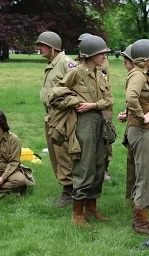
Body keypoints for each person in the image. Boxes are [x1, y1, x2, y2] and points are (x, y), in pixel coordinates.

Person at [56, 35, 114, 227]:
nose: (104, 56)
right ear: (90, 55)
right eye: (101, 53)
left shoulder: (100, 73)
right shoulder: (76, 73)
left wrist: (92, 105)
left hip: (98, 120)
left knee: (99, 164)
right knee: (84, 166)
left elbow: (109, 100)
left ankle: (92, 207)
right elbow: (56, 94)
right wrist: (77, 103)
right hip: (83, 123)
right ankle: (77, 213)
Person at [120, 39, 149, 234]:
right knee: (147, 176)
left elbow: (147, 101)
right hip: (142, 130)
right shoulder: (138, 75)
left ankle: (141, 218)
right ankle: (140, 222)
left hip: (148, 130)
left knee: (148, 175)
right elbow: (131, 98)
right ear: (144, 58)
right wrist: (141, 116)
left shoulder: (145, 75)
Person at [36, 31, 76, 207]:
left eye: (42, 45)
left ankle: (70, 191)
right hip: (51, 115)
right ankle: (67, 188)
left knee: (63, 153)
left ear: (53, 47)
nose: (39, 48)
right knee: (54, 154)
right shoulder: (53, 63)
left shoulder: (66, 63)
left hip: (62, 116)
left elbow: (77, 88)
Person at [78, 33, 115, 182]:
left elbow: (106, 93)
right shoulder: (77, 66)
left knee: (105, 138)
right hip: (84, 113)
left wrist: (94, 105)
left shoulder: (101, 63)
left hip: (101, 107)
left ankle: (104, 168)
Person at [117, 44, 137, 206]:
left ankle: (140, 200)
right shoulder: (132, 76)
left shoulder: (140, 77)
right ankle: (131, 199)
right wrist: (126, 113)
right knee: (131, 164)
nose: (124, 62)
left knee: (140, 165)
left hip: (142, 127)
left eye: (127, 59)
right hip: (133, 124)